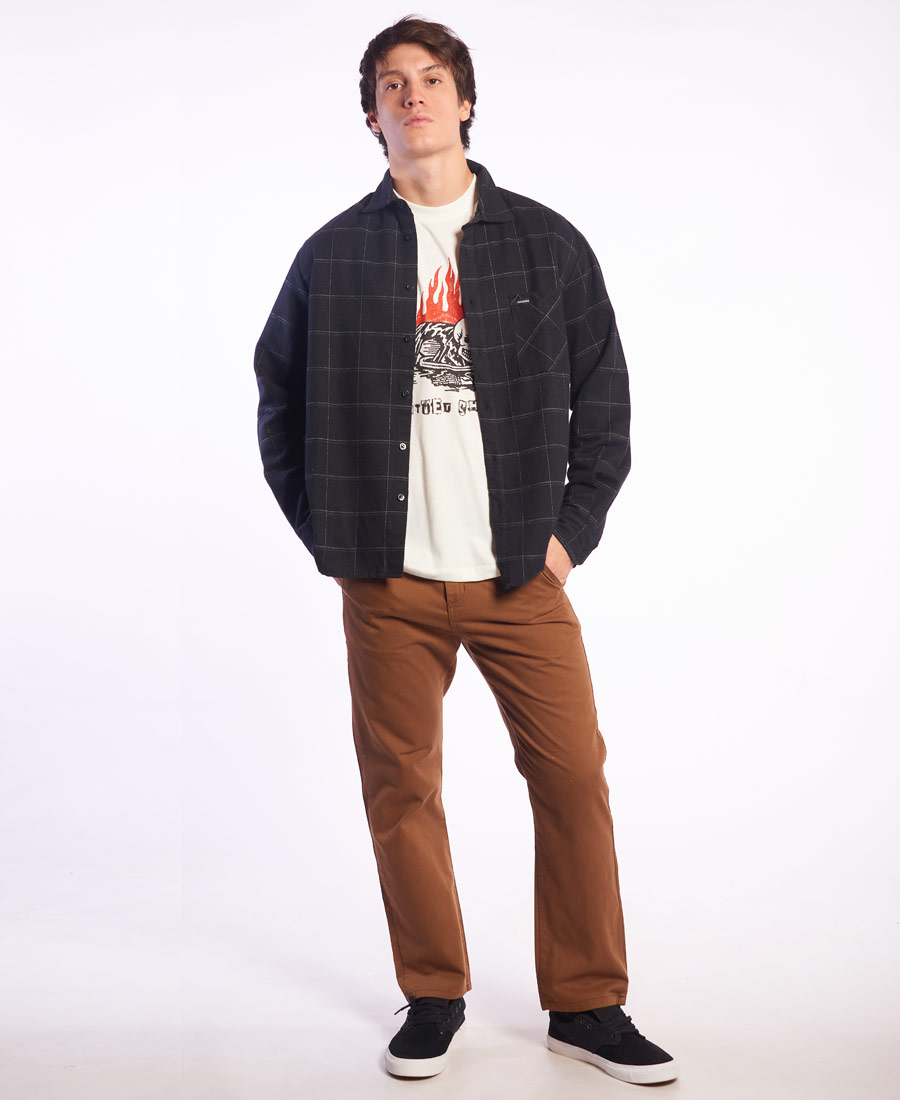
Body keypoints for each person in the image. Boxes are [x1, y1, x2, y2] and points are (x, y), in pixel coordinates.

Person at [254, 15, 678, 1086]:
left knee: (572, 774)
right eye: (391, 84)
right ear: (370, 115)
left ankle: (587, 1004)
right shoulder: (333, 255)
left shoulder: (545, 243)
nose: (413, 97)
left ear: (466, 100)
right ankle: (434, 993)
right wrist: (336, 538)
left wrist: (567, 539)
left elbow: (606, 403)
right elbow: (279, 401)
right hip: (386, 578)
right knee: (401, 789)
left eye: (432, 79)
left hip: (519, 574)